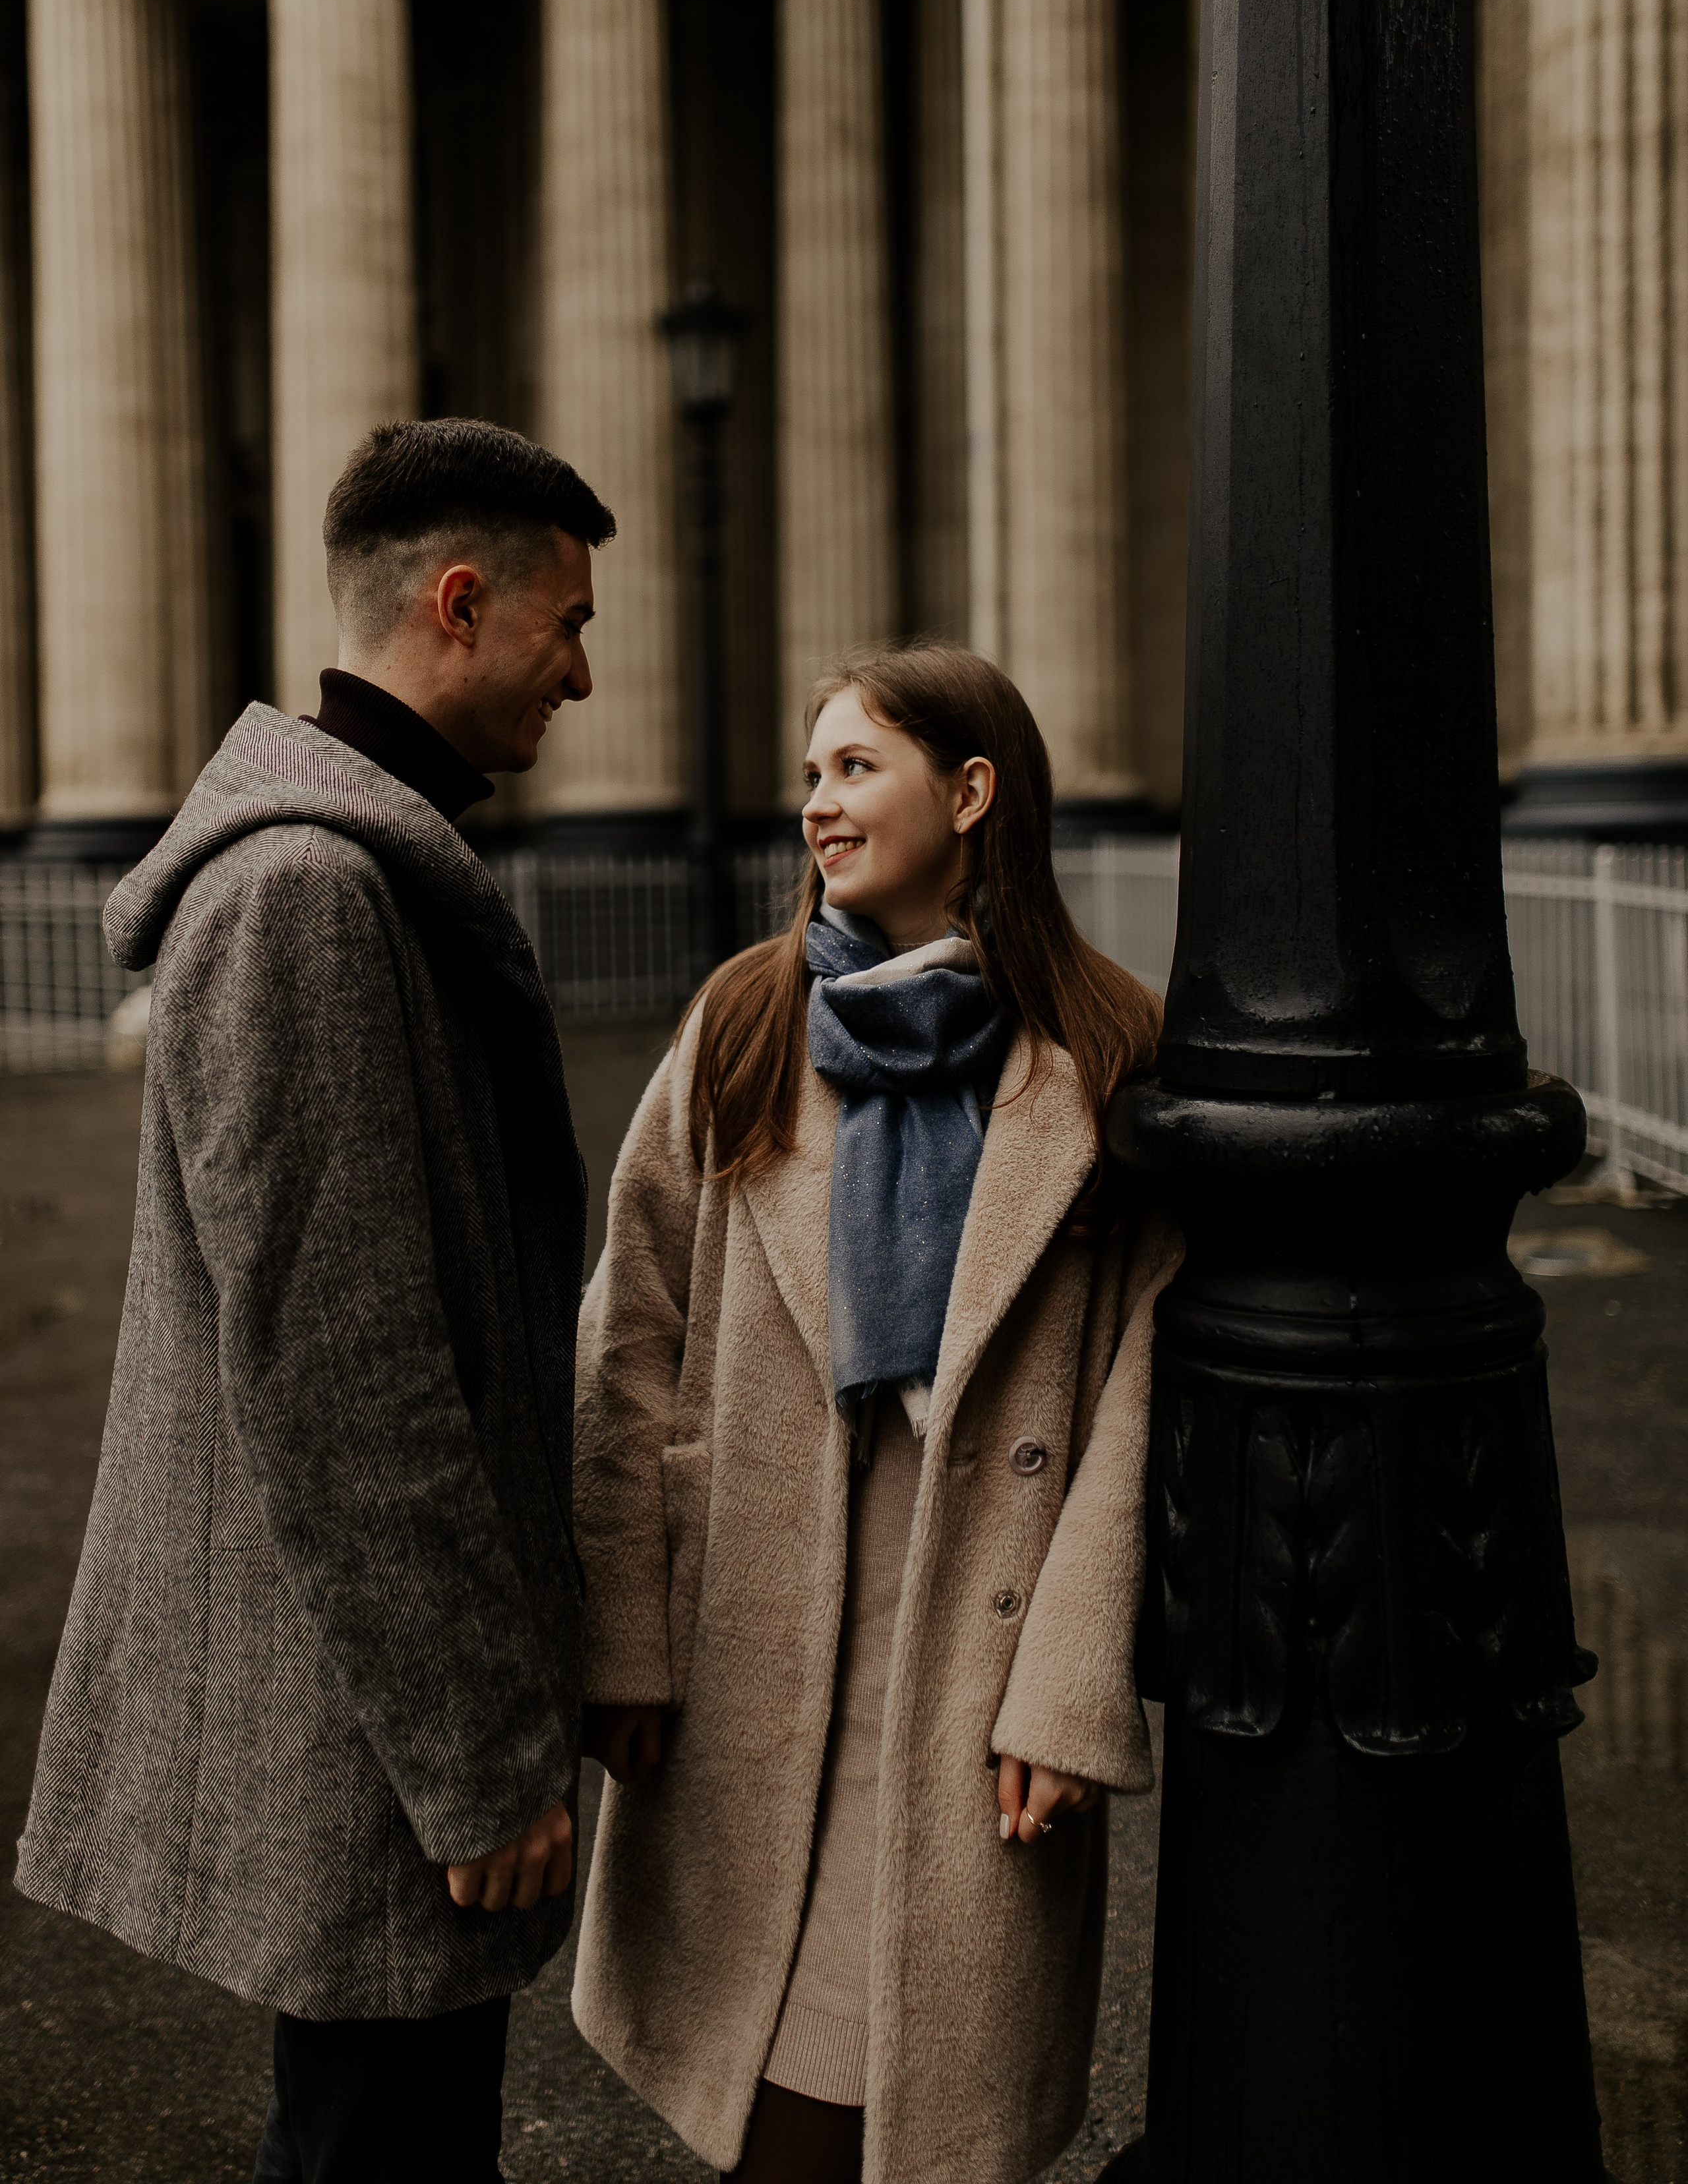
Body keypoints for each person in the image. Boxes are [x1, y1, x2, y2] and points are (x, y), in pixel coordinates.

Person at [13, 417, 613, 2184]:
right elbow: (346, 1379)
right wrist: (482, 1757)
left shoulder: (355, 871)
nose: (582, 675)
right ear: (455, 603)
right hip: (371, 1726)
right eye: (563, 625)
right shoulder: (305, 893)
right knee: (374, 2154)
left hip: (369, 1710)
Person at [570, 641, 1182, 2184]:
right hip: (760, 1624)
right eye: (808, 775)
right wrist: (624, 1640)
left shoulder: (1105, 1050)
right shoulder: (746, 1022)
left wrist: (1066, 1690)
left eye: (854, 768)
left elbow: (1140, 1389)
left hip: (975, 1628)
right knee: (767, 2065)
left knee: (914, 2078)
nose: (816, 809)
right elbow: (629, 1337)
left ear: (969, 792)